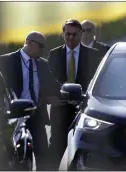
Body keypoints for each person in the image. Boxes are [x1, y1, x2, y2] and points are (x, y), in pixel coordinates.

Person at [0, 31, 61, 170]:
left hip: (36, 114)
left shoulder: (42, 64)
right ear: (30, 43)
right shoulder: (6, 61)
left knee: (43, 156)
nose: (44, 50)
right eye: (42, 46)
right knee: (17, 156)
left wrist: (65, 93)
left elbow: (52, 85)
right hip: (14, 116)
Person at [47, 19, 101, 170]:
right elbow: (50, 79)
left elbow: (95, 81)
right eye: (67, 34)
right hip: (60, 108)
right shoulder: (55, 54)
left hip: (83, 108)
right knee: (56, 146)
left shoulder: (93, 55)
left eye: (74, 34)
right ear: (63, 34)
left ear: (81, 34)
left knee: (82, 145)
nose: (70, 38)